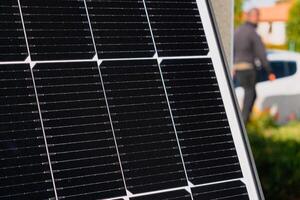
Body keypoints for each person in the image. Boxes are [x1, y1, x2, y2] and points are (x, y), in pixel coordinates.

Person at [233, 8, 276, 124]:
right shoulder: (252, 33)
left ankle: (244, 122)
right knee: (250, 95)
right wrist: (270, 71)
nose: (258, 19)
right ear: (252, 17)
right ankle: (243, 124)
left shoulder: (237, 31)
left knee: (249, 93)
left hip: (238, 68)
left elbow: (232, 50)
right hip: (248, 68)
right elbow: (261, 53)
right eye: (257, 16)